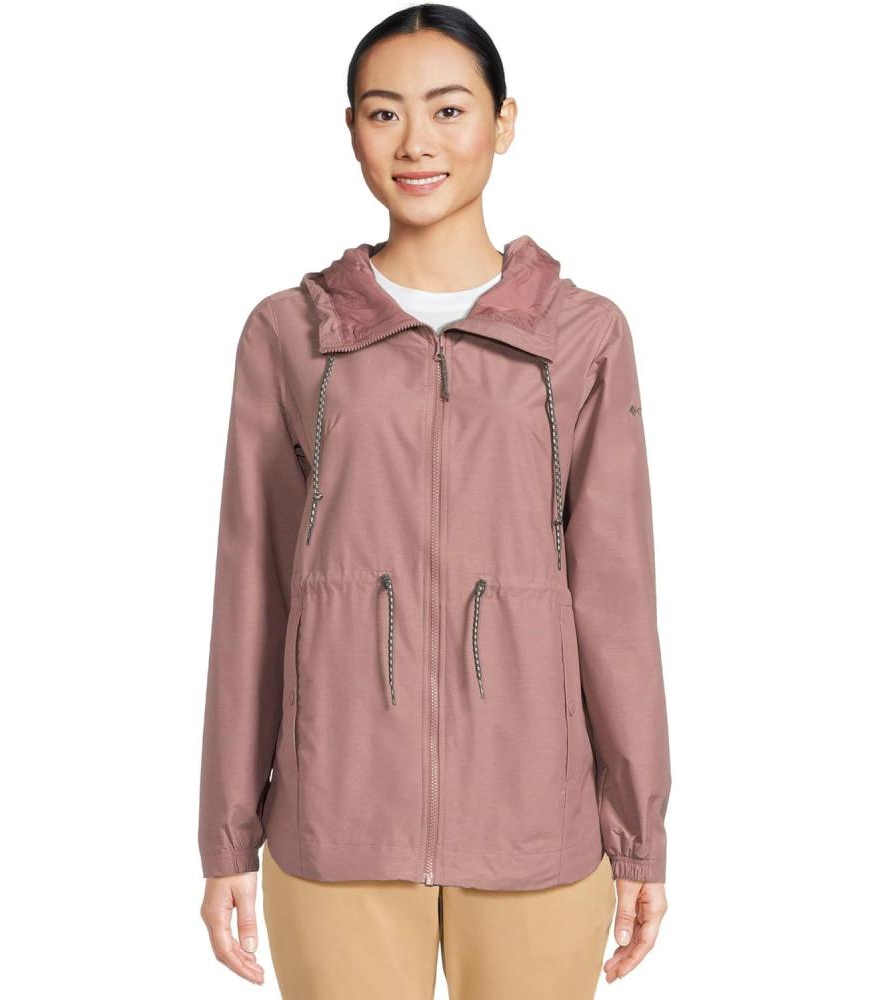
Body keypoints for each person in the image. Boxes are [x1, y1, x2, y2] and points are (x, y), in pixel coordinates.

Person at [197, 5, 672, 997]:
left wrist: (638, 836)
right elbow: (252, 590)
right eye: (384, 113)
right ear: (351, 131)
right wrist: (227, 834)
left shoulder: (582, 335)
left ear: (503, 122)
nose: (415, 142)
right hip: (336, 820)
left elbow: (616, 599)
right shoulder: (290, 334)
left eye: (448, 109)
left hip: (537, 823)